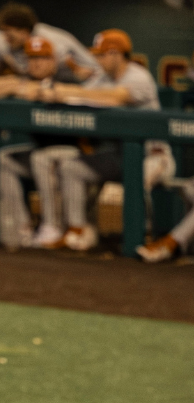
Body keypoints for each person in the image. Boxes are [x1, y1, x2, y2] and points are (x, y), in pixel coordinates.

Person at [51, 30, 174, 251]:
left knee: (139, 178)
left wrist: (65, 90)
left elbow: (116, 97)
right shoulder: (102, 77)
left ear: (117, 54)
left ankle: (143, 235)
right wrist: (59, 91)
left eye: (102, 55)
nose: (97, 60)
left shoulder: (139, 76)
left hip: (154, 156)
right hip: (121, 155)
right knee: (71, 168)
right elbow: (77, 95)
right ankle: (80, 232)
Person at [0, 36, 85, 249]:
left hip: (75, 153)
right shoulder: (26, 80)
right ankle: (22, 226)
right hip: (44, 151)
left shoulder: (68, 79)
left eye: (43, 58)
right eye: (32, 58)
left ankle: (52, 226)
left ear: (54, 61)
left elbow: (56, 93)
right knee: (5, 159)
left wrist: (36, 90)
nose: (37, 64)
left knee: (40, 158)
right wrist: (19, 86)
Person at [0, 3, 99, 85]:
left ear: (23, 32)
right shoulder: (22, 43)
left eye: (9, 34)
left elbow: (44, 72)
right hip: (64, 81)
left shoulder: (48, 40)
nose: (5, 38)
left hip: (92, 78)